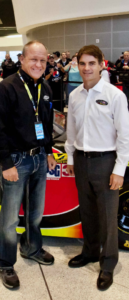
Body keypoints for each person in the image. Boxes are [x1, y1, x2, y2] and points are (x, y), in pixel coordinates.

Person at [0, 41, 56, 289]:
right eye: (33, 59)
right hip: (15, 160)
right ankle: (5, 262)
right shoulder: (6, 88)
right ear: (22, 59)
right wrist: (5, 163)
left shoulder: (45, 87)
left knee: (35, 213)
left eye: (43, 60)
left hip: (39, 158)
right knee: (9, 219)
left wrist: (48, 151)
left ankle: (31, 248)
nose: (38, 64)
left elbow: (46, 124)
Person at [65, 45, 129, 291]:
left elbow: (124, 136)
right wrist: (71, 159)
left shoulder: (115, 95)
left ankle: (108, 263)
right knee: (88, 212)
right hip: (81, 160)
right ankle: (90, 252)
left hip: (106, 162)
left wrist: (119, 169)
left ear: (102, 64)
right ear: (77, 65)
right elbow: (71, 131)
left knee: (107, 216)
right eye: (82, 63)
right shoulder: (75, 95)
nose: (87, 68)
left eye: (92, 63)